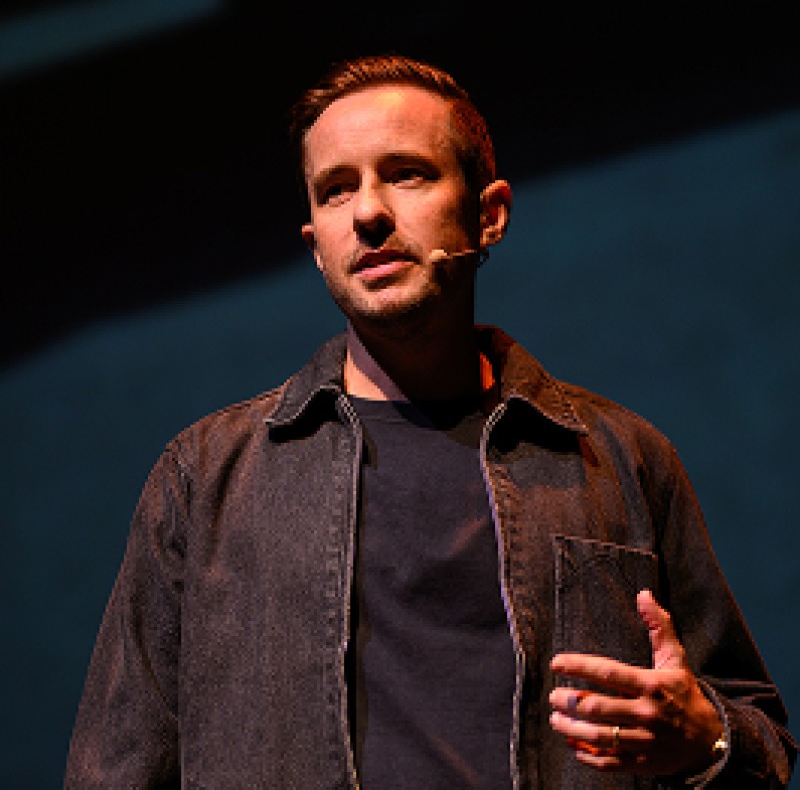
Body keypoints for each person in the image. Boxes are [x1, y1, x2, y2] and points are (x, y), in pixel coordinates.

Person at [65, 54, 796, 789]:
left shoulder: (618, 458)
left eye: (406, 174)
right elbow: (115, 770)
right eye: (336, 189)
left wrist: (708, 742)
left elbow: (758, 736)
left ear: (489, 214)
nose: (368, 213)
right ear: (316, 246)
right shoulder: (205, 479)